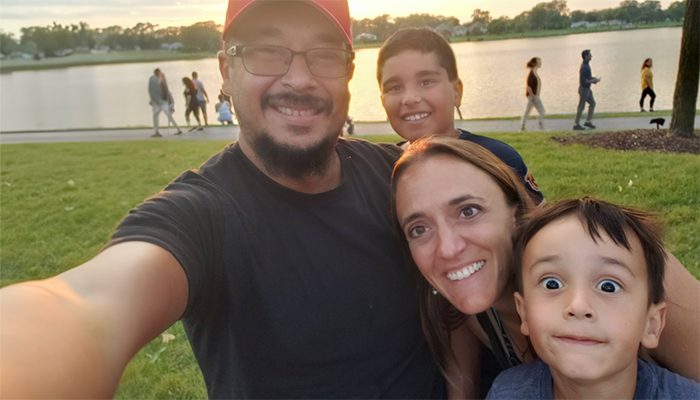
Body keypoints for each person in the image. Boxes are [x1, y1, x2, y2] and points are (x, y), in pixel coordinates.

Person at [0, 1, 446, 398]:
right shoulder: (202, 216)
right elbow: (85, 306)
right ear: (225, 71)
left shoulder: (396, 174)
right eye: (267, 52)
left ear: (348, 73)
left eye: (324, 55)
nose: (298, 79)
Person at [391, 135, 700, 395]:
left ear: (515, 213)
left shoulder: (625, 264)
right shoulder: (475, 315)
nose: (447, 248)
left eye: (469, 211)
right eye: (419, 229)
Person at [488, 197, 700, 399]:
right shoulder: (507, 393)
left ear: (651, 324)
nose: (578, 305)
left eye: (609, 286)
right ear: (523, 312)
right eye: (552, 283)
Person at [377, 27, 543, 204]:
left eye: (426, 82)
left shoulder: (498, 158)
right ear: (382, 101)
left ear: (457, 91)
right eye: (395, 88)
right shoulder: (379, 168)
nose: (409, 99)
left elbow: (540, 224)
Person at [148, 68, 183, 137]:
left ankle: (178, 129)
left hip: (162, 102)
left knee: (167, 115)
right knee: (156, 116)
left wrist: (170, 102)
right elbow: (152, 90)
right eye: (158, 73)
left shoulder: (160, 80)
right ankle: (157, 132)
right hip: (158, 102)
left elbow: (165, 91)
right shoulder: (154, 80)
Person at [573, 49, 601, 131]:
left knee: (592, 103)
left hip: (588, 90)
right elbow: (583, 80)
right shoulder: (584, 67)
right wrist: (593, 81)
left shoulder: (587, 65)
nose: (591, 56)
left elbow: (588, 78)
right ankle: (576, 124)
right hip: (584, 90)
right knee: (581, 107)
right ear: (586, 56)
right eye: (590, 55)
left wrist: (594, 79)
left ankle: (588, 122)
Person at [520, 57, 545, 132]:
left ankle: (523, 125)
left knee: (528, 111)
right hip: (533, 96)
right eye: (539, 61)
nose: (540, 62)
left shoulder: (534, 72)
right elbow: (529, 87)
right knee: (542, 111)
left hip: (534, 96)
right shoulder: (532, 73)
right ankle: (540, 124)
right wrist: (533, 96)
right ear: (535, 63)